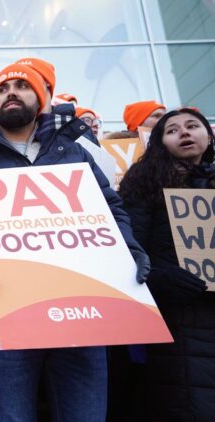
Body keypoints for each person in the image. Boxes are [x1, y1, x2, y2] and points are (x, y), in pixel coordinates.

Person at [0, 63, 150, 422]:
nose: (11, 93)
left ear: (43, 98)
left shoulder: (72, 150)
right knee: (11, 416)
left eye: (22, 86)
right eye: (3, 89)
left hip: (81, 306)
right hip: (3, 307)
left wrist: (128, 249)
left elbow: (110, 207)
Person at [118, 107, 214, 422]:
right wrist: (162, 278)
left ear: (209, 135)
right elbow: (130, 247)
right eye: (172, 130)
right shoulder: (145, 180)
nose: (184, 132)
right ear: (159, 143)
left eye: (192, 126)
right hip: (177, 316)